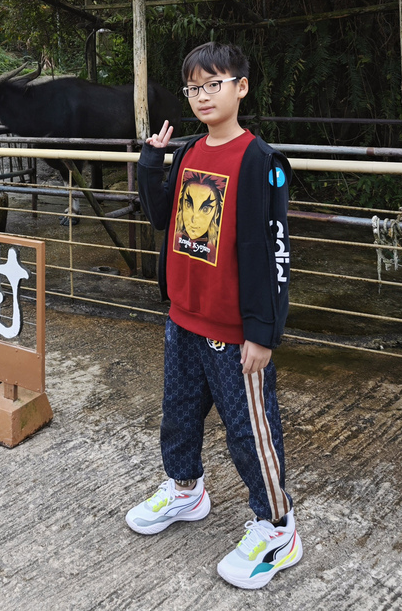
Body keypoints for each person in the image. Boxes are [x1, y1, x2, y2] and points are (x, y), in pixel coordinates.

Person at [126, 41, 302, 590]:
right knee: (177, 416)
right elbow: (161, 219)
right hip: (183, 318)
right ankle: (186, 490)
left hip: (233, 332)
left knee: (250, 433)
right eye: (194, 88)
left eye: (214, 84)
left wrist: (263, 333)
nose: (203, 96)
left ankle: (277, 526)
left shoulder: (260, 161)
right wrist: (151, 159)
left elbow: (274, 251)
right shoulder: (188, 153)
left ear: (240, 87)